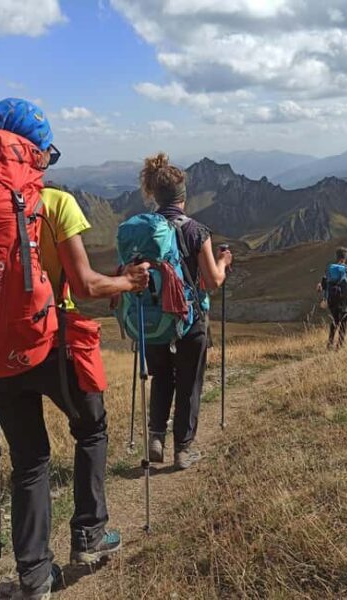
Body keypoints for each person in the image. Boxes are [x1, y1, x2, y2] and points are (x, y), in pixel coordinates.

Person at [0, 99, 150, 599]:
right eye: (46, 153)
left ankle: (34, 576)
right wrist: (128, 282)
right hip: (54, 345)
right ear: (32, 154)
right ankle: (89, 535)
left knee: (30, 459)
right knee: (91, 428)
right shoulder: (57, 204)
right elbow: (85, 285)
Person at [140, 153, 233, 470]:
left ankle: (155, 436)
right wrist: (224, 262)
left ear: (155, 193)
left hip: (153, 321)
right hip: (190, 320)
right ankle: (182, 449)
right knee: (189, 383)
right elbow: (212, 281)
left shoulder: (143, 230)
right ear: (183, 196)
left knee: (161, 377)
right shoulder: (196, 231)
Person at [317, 246, 347, 349]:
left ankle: (330, 343)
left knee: (335, 320)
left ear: (336, 256)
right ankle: (340, 345)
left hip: (331, 299)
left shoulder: (330, 268)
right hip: (345, 300)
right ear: (345, 257)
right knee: (343, 321)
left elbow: (323, 285)